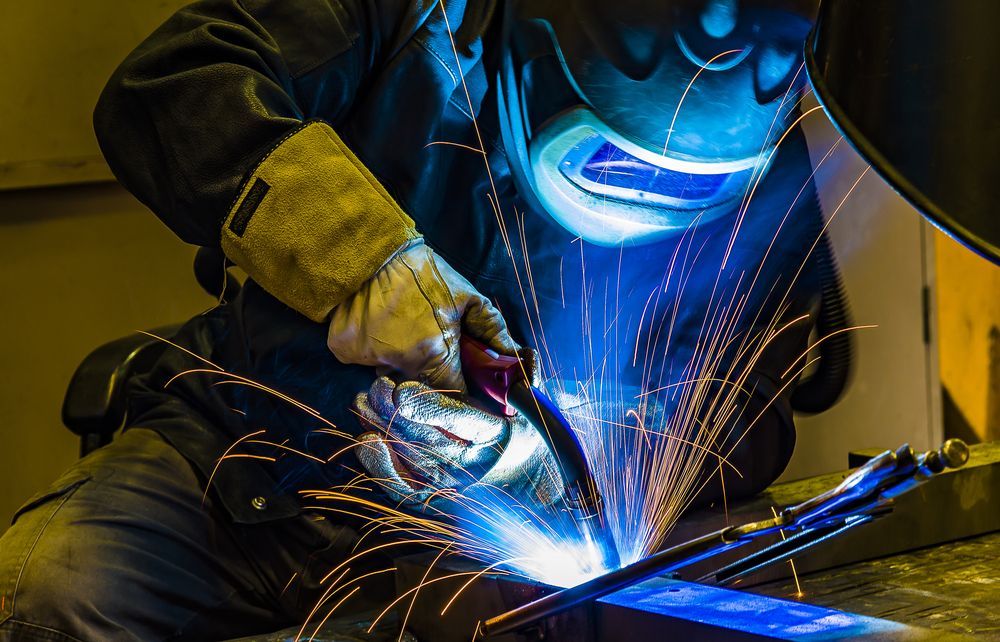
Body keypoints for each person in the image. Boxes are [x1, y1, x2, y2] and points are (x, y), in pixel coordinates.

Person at [0, 1, 841, 639]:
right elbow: (172, 83)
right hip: (242, 456)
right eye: (614, 158)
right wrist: (358, 254)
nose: (638, 197)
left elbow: (754, 404)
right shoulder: (412, 17)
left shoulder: (765, 141)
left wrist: (587, 435)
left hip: (468, 545)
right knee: (50, 589)